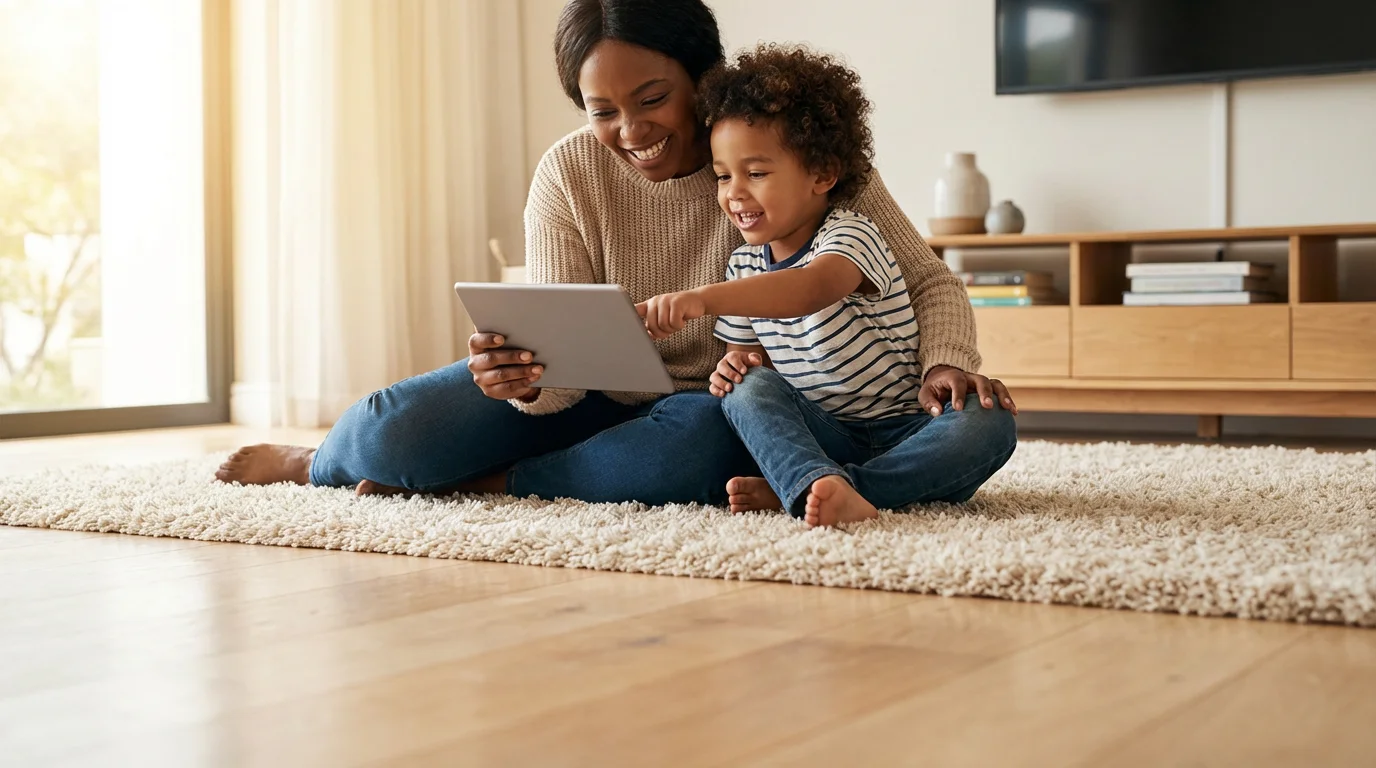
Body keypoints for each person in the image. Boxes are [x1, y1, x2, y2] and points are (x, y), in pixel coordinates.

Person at [214, 0, 1018, 507]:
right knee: (396, 431)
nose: (630, 133)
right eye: (602, 110)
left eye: (652, 100)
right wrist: (522, 380)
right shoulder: (570, 171)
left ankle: (496, 485)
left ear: (703, 80)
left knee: (700, 447)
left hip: (708, 407)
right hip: (591, 395)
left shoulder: (797, 155)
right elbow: (561, 370)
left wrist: (945, 359)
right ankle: (315, 463)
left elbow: (923, 279)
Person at [638, 44, 1014, 527]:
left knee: (990, 421)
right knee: (746, 389)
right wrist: (734, 367)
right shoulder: (742, 266)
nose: (734, 192)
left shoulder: (850, 234)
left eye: (755, 173)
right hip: (822, 433)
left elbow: (810, 288)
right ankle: (814, 476)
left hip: (910, 425)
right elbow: (749, 359)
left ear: (822, 174)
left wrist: (700, 299)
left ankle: (826, 486)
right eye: (723, 176)